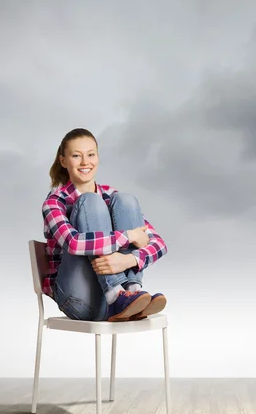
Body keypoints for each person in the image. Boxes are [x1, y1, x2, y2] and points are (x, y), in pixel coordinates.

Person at [41, 127, 168, 322]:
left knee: (126, 199)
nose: (85, 162)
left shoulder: (111, 195)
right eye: (76, 155)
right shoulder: (55, 201)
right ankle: (115, 294)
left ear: (98, 157)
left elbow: (159, 244)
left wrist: (128, 260)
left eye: (90, 154)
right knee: (89, 201)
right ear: (63, 161)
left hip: (125, 303)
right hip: (79, 299)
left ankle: (132, 291)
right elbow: (73, 243)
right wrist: (128, 237)